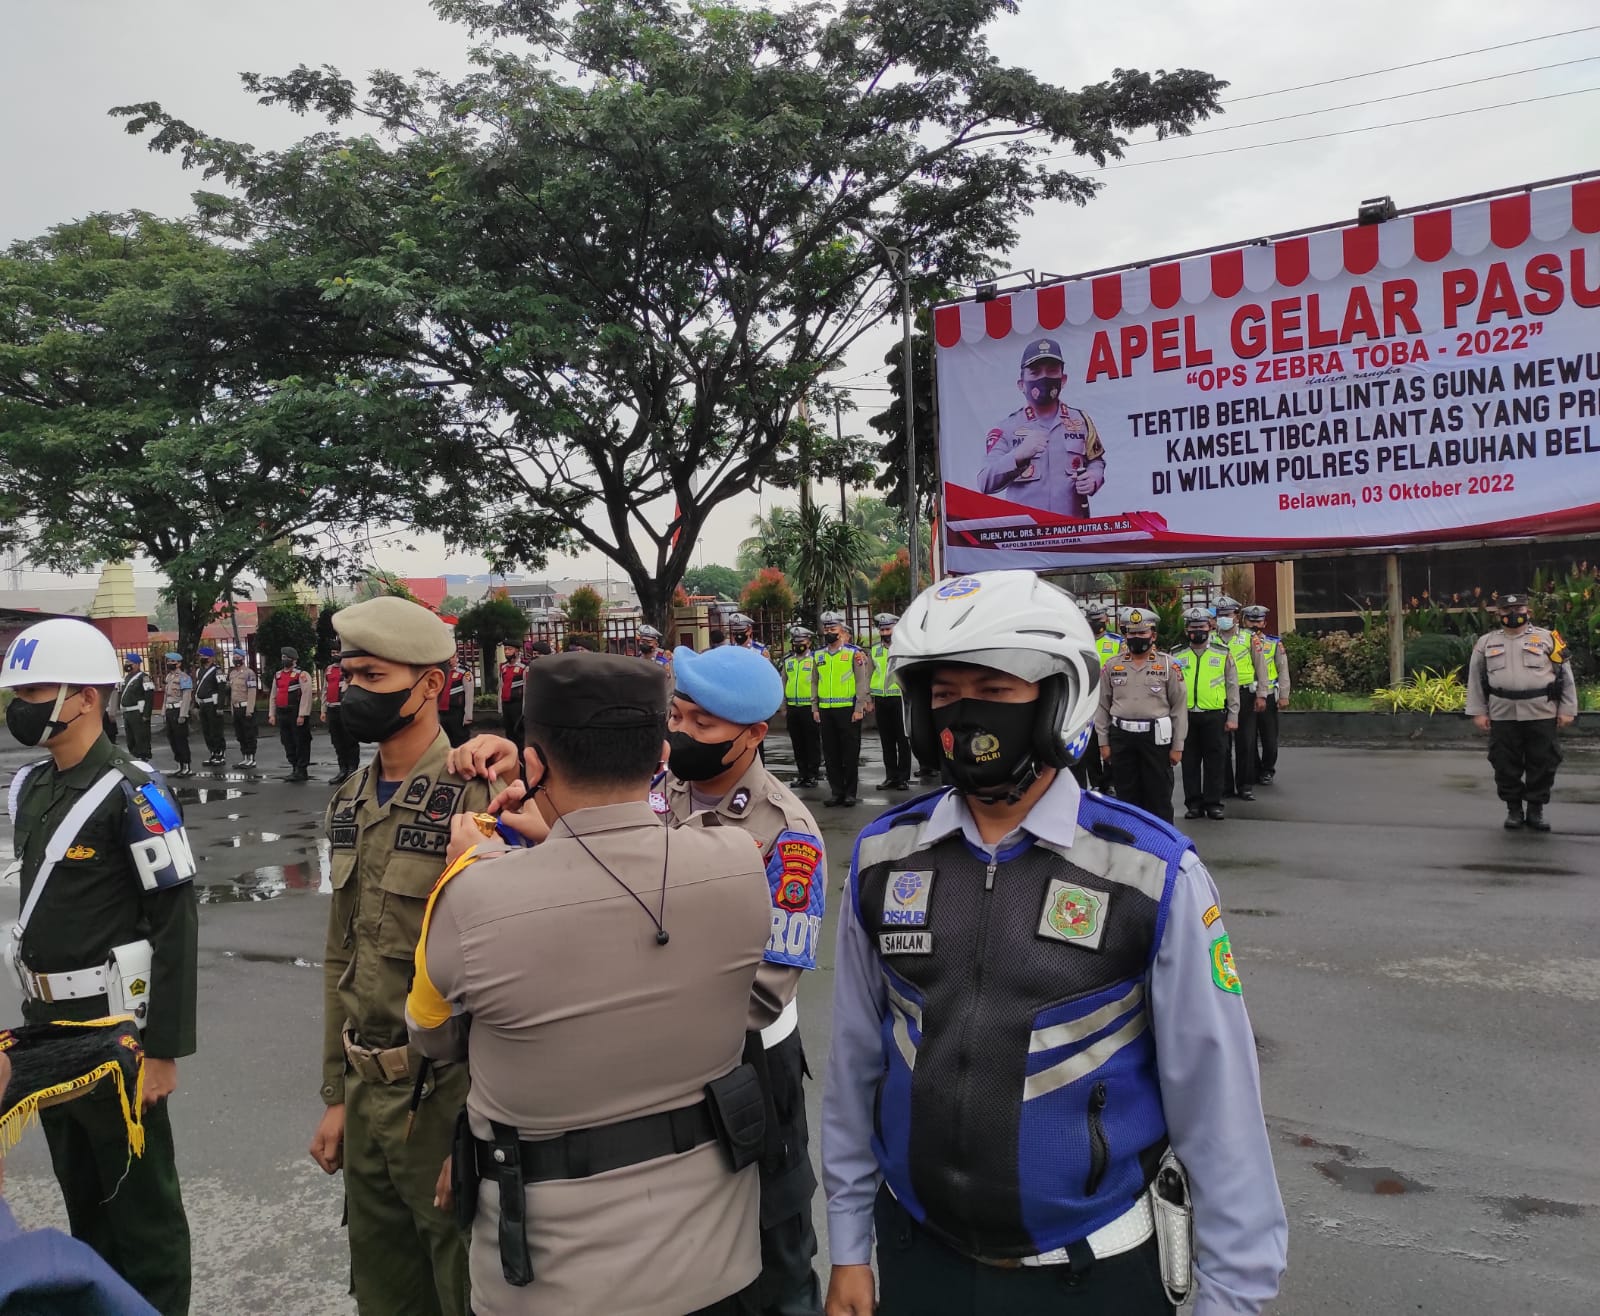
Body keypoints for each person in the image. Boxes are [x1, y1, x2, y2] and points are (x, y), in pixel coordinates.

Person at [820, 570, 1287, 1316]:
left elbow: (1218, 1105)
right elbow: (854, 1068)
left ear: (1057, 698)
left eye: (994, 689)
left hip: (1088, 1274)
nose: (963, 711)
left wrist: (1232, 1298)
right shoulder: (884, 857)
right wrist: (848, 1245)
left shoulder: (1151, 869)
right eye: (942, 692)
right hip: (917, 1255)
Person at [408, 653, 772, 1315]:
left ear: (535, 764)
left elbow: (430, 1034)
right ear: (661, 755)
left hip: (553, 1278)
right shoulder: (739, 864)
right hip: (713, 1264)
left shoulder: (474, 897)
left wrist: (467, 867)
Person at [2, 617, 199, 1315]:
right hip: (45, 1025)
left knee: (143, 1215)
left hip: (118, 1032)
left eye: (34, 689)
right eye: (16, 689)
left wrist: (165, 1051)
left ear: (84, 697)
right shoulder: (30, 788)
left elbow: (176, 922)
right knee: (84, 1200)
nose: (19, 703)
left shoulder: (134, 792)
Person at [308, 596, 494, 1316]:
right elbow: (339, 959)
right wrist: (335, 1097)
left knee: (461, 1287)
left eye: (374, 676)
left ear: (430, 687)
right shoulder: (350, 801)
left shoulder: (479, 795)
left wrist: (477, 1130)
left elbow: (500, 986)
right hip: (366, 1089)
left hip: (446, 1095)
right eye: (347, 674)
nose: (353, 692)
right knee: (385, 1294)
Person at [0, 1052, 164, 1316]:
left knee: (147, 1236)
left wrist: (159, 1051)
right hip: (52, 1058)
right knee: (90, 1222)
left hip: (113, 1053)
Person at [1465, 592, 1578, 832]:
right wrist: (1478, 712)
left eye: (1519, 610)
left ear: (1529, 612)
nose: (1513, 615)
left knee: (1543, 762)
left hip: (1541, 711)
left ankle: (1536, 810)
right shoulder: (1486, 642)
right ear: (1499, 615)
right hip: (1502, 712)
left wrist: (1567, 709)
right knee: (1505, 763)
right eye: (1507, 611)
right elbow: (1474, 679)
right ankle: (1514, 810)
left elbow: (1566, 676)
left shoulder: (1548, 638)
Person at [976, 338, 1107, 519]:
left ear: (1063, 379)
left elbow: (1096, 461)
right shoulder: (1006, 429)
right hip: (1027, 540)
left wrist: (1094, 477)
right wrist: (1018, 455)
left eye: (1052, 371)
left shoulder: (1081, 420)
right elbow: (984, 481)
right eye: (1035, 373)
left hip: (1073, 536)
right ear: (1021, 384)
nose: (1044, 378)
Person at [1094, 607, 1185, 824]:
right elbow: (1102, 706)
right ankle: (1131, 843)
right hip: (1122, 737)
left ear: (1153, 635)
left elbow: (1179, 708)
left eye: (1142, 633)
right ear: (1125, 635)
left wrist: (1178, 746)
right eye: (1132, 633)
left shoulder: (1168, 665)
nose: (1136, 638)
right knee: (1126, 795)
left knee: (1159, 795)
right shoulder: (1112, 665)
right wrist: (1103, 742)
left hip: (1155, 739)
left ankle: (1162, 846)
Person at [1171, 608, 1238, 821]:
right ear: (1186, 630)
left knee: (1215, 761)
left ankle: (1214, 803)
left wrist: (1233, 715)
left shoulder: (1222, 652)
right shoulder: (1176, 654)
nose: (1197, 631)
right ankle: (1193, 804)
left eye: (1201, 627)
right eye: (1193, 627)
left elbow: (1232, 685)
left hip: (1215, 715)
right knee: (1189, 762)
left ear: (1210, 627)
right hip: (1187, 716)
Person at [810, 611, 871, 808]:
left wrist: (859, 706)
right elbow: (814, 682)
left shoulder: (854, 653)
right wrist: (815, 706)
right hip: (826, 711)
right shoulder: (818, 655)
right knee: (830, 754)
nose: (829, 632)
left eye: (832, 629)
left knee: (850, 753)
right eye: (826, 629)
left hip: (848, 710)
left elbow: (861, 681)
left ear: (842, 631)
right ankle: (836, 792)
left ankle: (850, 793)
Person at [1211, 598, 1263, 803]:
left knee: (1246, 742)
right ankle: (1225, 786)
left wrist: (1261, 694)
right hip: (1220, 695)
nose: (1225, 619)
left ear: (1236, 616)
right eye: (1221, 615)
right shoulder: (1210, 638)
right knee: (1222, 744)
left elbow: (1261, 669)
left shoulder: (1249, 638)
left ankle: (1245, 785)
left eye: (1228, 615)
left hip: (1245, 694)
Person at [1242, 606, 1290, 782]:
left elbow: (1282, 669)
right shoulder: (1239, 642)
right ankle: (1253, 770)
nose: (1254, 625)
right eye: (1251, 621)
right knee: (1248, 738)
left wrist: (1284, 695)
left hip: (1268, 694)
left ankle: (1268, 769)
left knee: (1269, 737)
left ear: (1264, 622)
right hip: (1246, 693)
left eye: (1258, 621)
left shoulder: (1274, 643)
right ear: (1244, 621)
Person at [869, 613, 911, 791]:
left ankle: (903, 778)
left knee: (902, 739)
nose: (885, 632)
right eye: (882, 629)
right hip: (881, 698)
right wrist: (869, 698)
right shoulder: (874, 650)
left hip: (899, 697)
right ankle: (890, 776)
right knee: (886, 740)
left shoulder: (904, 648)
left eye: (888, 629)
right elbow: (871, 673)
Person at [267, 647, 314, 782]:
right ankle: (294, 767)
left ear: (294, 659)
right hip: (282, 713)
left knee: (301, 741)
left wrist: (302, 714)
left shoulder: (302, 674)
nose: (284, 660)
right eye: (282, 657)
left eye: (286, 657)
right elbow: (273, 696)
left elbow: (306, 695)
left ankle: (301, 769)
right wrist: (272, 714)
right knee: (287, 741)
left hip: (295, 712)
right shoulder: (278, 675)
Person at [783, 627, 821, 788]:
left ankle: (812, 774)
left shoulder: (814, 660)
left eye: (801, 642)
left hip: (808, 707)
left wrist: (816, 707)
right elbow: (783, 682)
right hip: (793, 707)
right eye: (795, 642)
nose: (798, 645)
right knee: (797, 743)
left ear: (809, 642)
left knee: (811, 742)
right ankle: (802, 774)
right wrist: (783, 706)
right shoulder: (788, 661)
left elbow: (818, 682)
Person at [322, 641, 361, 784]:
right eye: (332, 653)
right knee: (337, 741)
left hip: (345, 708)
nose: (334, 655)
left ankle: (352, 769)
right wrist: (323, 709)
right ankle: (342, 769)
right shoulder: (329, 669)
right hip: (332, 708)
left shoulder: (349, 668)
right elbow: (325, 690)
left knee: (349, 740)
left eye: (337, 652)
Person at [160, 652, 194, 779]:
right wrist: (163, 711)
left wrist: (183, 714)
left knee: (181, 739)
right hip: (169, 711)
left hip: (178, 710)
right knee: (172, 739)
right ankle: (179, 764)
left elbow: (186, 697)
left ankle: (186, 766)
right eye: (168, 661)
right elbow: (165, 696)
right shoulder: (169, 677)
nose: (169, 664)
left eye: (172, 662)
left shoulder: (184, 677)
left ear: (179, 663)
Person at [192, 647, 227, 767]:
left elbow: (222, 689)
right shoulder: (199, 671)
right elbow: (197, 688)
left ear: (211, 658)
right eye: (200, 656)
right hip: (203, 704)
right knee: (206, 731)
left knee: (215, 730)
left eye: (203, 656)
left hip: (213, 704)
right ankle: (212, 753)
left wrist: (220, 707)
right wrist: (196, 705)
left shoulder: (217, 671)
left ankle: (220, 754)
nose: (201, 658)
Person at [118, 653, 156, 760]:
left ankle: (144, 759)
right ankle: (134, 758)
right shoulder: (126, 678)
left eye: (130, 663)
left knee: (141, 738)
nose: (127, 665)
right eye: (126, 663)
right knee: (130, 739)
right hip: (127, 713)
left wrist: (146, 714)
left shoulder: (144, 677)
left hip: (138, 713)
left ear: (137, 664)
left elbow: (149, 696)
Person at [227, 649, 259, 769]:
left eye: (237, 657)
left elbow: (252, 692)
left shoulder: (249, 673)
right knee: (240, 735)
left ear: (242, 658)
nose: (235, 659)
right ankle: (245, 757)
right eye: (234, 656)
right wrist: (232, 709)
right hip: (236, 708)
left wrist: (250, 709)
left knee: (249, 733)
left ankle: (251, 758)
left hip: (246, 707)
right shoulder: (232, 674)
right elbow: (232, 694)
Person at [438, 649, 474, 747]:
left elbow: (469, 694)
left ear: (456, 656)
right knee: (446, 741)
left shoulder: (464, 672)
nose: (448, 660)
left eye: (451, 657)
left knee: (460, 741)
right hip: (443, 712)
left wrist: (468, 715)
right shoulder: (441, 673)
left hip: (457, 712)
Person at [499, 643, 529, 743]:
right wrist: (500, 706)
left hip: (518, 705)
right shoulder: (503, 667)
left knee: (519, 733)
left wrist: (525, 709)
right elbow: (501, 686)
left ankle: (521, 756)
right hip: (506, 704)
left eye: (509, 649)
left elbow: (526, 689)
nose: (506, 652)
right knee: (509, 733)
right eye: (505, 649)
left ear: (516, 651)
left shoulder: (524, 667)